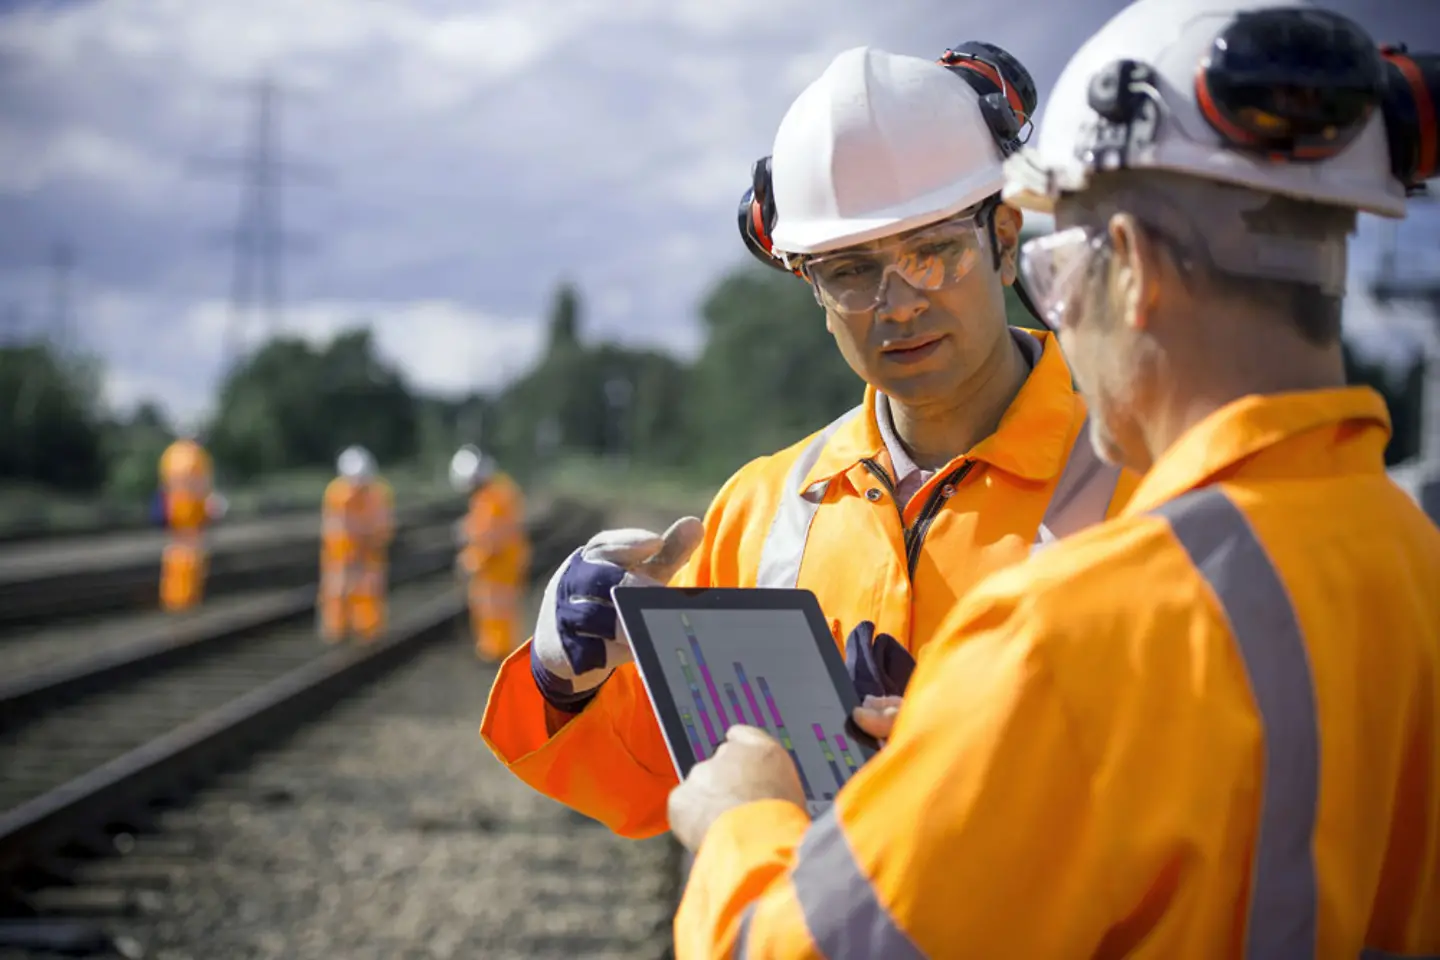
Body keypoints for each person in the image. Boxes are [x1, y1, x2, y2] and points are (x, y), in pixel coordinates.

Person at [666, 2, 1440, 956]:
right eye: (852, 272)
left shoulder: (1064, 637)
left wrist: (744, 822)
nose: (1059, 315)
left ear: (1134, 269)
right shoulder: (1414, 562)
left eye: (1060, 268)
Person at [482, 42, 1142, 840]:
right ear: (811, 287)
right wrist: (565, 683)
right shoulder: (762, 512)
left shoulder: (1145, 476)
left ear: (1004, 240)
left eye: (933, 253)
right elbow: (654, 782)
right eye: (850, 270)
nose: (898, 303)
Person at [449, 444, 531, 662]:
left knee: (494, 610)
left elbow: (490, 540)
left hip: (497, 567)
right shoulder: (498, 491)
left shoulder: (492, 498)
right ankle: (496, 650)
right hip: (505, 564)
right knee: (499, 611)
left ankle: (496, 652)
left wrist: (469, 561)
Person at [318, 445, 394, 643]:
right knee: (337, 594)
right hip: (340, 557)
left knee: (368, 595)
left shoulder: (378, 494)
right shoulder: (335, 493)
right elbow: (332, 527)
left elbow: (383, 528)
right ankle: (337, 632)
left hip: (369, 558)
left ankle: (369, 633)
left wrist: (365, 538)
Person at [157, 427, 220, 612]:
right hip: (193, 512)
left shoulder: (170, 454)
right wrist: (209, 508)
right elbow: (202, 485)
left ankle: (172, 597)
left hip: (173, 509)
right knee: (193, 554)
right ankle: (189, 597)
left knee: (174, 551)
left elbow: (164, 484)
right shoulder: (197, 455)